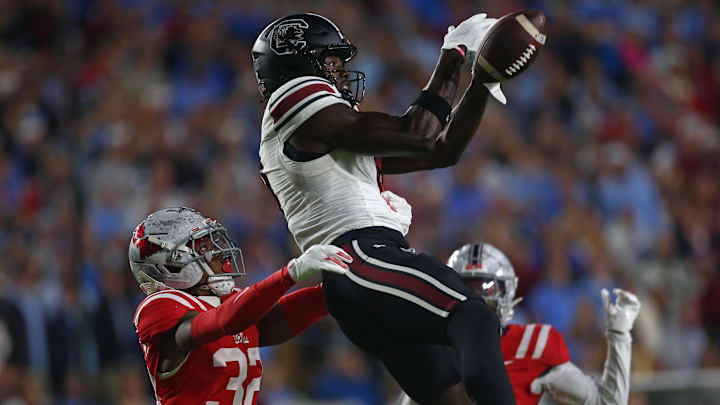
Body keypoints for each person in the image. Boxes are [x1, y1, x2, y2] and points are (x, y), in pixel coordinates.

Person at [252, 12, 516, 405]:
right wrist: (454, 54)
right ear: (299, 64)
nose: (342, 73)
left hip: (354, 276)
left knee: (453, 397)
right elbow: (418, 133)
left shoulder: (323, 137)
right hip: (361, 256)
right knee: (474, 316)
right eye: (332, 62)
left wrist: (481, 81)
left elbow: (442, 151)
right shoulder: (292, 100)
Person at [128, 206, 352, 404]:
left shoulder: (230, 304)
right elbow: (220, 322)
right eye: (204, 248)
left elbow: (277, 320)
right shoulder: (159, 306)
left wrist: (343, 286)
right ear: (171, 265)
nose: (220, 255)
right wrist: (290, 274)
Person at [398, 243, 642, 405]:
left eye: (486, 287)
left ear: (508, 291)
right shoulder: (435, 348)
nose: (475, 299)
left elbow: (607, 403)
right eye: (464, 288)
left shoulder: (532, 345)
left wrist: (619, 334)